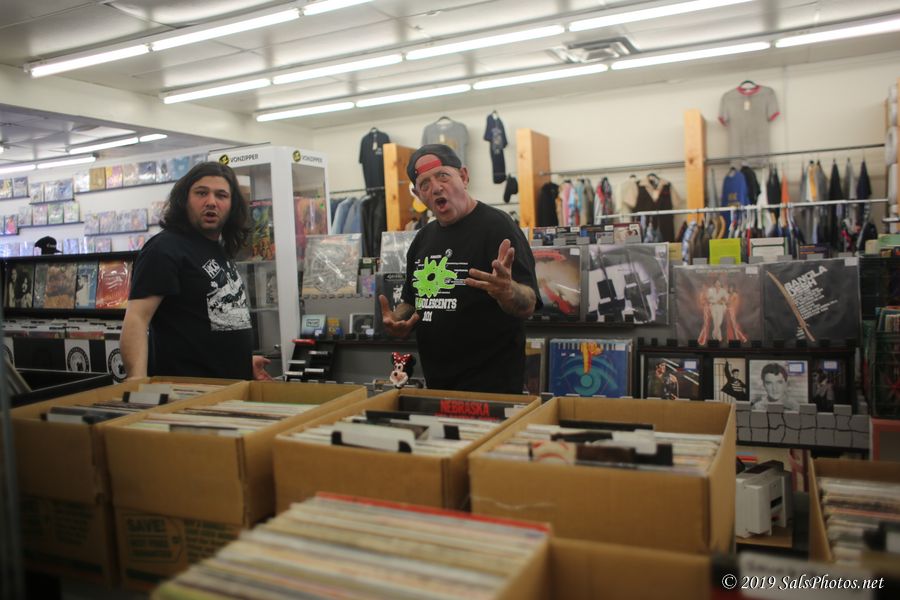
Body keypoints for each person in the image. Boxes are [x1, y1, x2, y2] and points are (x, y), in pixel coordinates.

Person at [378, 144, 541, 393]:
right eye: (424, 184)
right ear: (418, 195)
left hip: (492, 387)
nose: (435, 187)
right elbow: (412, 301)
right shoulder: (422, 239)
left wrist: (508, 291)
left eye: (443, 176)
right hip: (438, 383)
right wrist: (396, 320)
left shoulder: (498, 227)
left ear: (463, 176)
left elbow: (529, 302)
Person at [121, 162, 271, 381]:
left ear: (232, 205)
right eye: (201, 193)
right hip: (186, 391)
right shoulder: (165, 249)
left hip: (229, 386)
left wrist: (241, 362)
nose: (211, 202)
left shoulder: (218, 249)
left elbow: (214, 322)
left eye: (221, 195)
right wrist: (136, 381)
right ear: (184, 200)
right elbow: (137, 318)